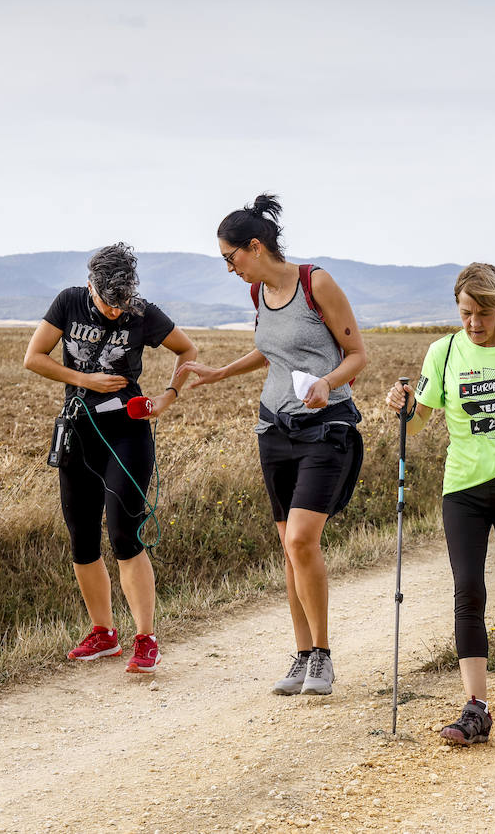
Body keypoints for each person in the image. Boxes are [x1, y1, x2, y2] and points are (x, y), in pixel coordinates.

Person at [178, 195, 367, 697]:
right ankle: (302, 655)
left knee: (303, 539)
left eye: (230, 257)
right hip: (275, 431)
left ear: (255, 246)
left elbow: (356, 354)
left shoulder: (315, 283)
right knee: (289, 549)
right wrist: (221, 372)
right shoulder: (259, 296)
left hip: (326, 428)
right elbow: (268, 350)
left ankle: (323, 657)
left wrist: (328, 383)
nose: (229, 267)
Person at [386, 263, 495, 744]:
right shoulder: (442, 352)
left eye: (483, 313)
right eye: (465, 312)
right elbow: (420, 420)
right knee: (468, 590)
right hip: (462, 486)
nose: (473, 322)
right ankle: (476, 708)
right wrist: (403, 407)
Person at [23, 243, 198, 675]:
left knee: (124, 534)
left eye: (122, 304)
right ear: (90, 287)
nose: (116, 312)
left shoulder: (142, 312)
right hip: (79, 433)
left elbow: (188, 351)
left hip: (127, 434)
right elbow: (33, 358)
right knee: (82, 538)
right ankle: (103, 634)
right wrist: (84, 380)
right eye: (107, 304)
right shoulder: (68, 302)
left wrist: (168, 398)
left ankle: (145, 638)